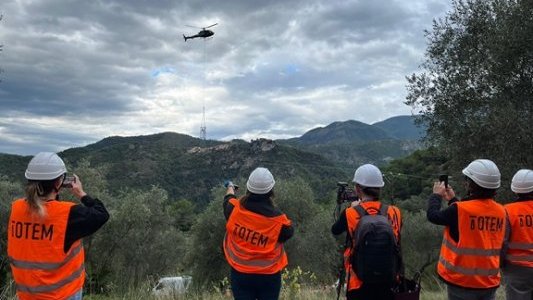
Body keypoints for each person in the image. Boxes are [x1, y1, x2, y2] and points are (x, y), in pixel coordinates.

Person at [7, 152, 109, 300]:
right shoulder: (68, 214)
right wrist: (81, 193)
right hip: (62, 294)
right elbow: (102, 214)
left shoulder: (16, 208)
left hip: (27, 295)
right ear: (58, 183)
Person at [427, 159, 506, 300]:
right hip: (489, 281)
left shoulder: (459, 210)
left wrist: (436, 196)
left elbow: (433, 216)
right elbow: (472, 217)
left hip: (462, 282)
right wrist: (452, 200)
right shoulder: (501, 211)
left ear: (471, 185)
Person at [331, 164, 402, 300]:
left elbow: (335, 230)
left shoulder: (350, 213)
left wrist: (352, 209)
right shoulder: (395, 212)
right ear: (380, 188)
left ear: (358, 189)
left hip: (358, 283)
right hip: (389, 280)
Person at [222, 167, 293, 300]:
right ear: (271, 191)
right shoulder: (280, 223)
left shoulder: (233, 209)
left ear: (248, 188)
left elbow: (228, 197)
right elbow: (288, 233)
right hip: (269, 276)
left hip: (240, 273)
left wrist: (231, 186)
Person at [502, 169, 533, 300]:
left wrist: (500, 263)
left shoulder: (507, 210)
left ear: (515, 190)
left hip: (517, 270)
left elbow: (502, 242)